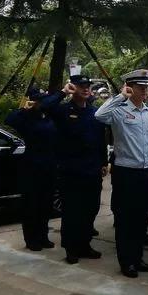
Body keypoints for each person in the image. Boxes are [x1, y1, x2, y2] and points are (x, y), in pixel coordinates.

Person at [40, 73, 108, 264]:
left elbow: (100, 140)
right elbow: (44, 106)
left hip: (92, 170)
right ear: (73, 88)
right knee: (72, 212)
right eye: (81, 86)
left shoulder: (94, 112)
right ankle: (71, 248)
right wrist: (63, 92)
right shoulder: (63, 110)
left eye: (88, 86)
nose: (86, 89)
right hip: (71, 171)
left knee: (90, 209)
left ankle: (85, 244)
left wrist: (103, 162)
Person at [95, 69, 148, 278]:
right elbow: (99, 115)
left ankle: (138, 258)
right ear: (130, 88)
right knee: (126, 219)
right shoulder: (119, 111)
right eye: (141, 87)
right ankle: (127, 261)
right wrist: (121, 96)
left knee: (141, 218)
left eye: (147, 87)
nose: (145, 91)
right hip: (126, 172)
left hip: (146, 171)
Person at [5, 87, 58, 251]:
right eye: (38, 100)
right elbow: (9, 119)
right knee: (31, 204)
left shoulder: (49, 117)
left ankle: (43, 236)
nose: (41, 103)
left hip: (50, 165)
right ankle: (31, 239)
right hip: (32, 165)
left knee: (46, 204)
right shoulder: (25, 118)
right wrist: (24, 108)